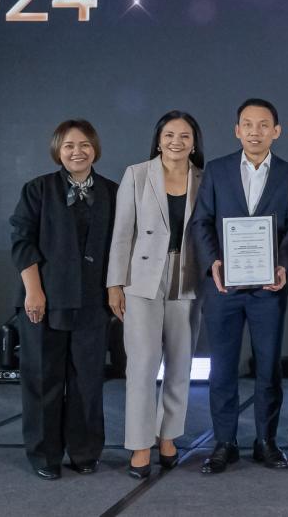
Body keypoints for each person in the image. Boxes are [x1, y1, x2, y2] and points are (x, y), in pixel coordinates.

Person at [189, 99, 288, 474]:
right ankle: (225, 442)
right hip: (223, 287)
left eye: (263, 124)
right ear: (237, 130)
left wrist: (283, 264)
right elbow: (202, 221)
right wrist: (213, 262)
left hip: (268, 290)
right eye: (248, 124)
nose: (255, 131)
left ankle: (266, 441)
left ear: (276, 131)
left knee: (268, 368)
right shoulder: (217, 170)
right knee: (222, 368)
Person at [9, 119, 118, 480]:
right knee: (43, 379)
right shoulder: (38, 189)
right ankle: (45, 456)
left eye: (85, 144)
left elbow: (120, 246)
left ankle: (85, 451)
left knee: (87, 381)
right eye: (69, 145)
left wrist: (115, 289)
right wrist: (34, 290)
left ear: (95, 149)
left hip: (92, 302)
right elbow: (22, 241)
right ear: (58, 150)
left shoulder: (112, 191)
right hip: (44, 301)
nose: (77, 152)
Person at [106, 111, 205, 479]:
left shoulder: (204, 178)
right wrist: (114, 283)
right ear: (158, 140)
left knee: (180, 362)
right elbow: (121, 233)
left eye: (184, 135)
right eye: (169, 135)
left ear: (194, 142)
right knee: (142, 363)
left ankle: (168, 437)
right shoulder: (137, 174)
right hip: (141, 277)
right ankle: (139, 444)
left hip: (188, 275)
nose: (176, 141)